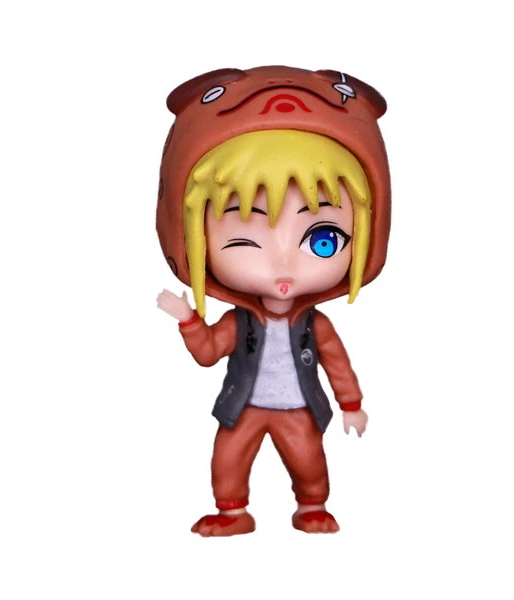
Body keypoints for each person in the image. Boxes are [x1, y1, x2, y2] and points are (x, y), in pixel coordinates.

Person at [156, 66, 391, 536]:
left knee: (309, 459)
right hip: (243, 406)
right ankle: (231, 512)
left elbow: (336, 362)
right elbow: (208, 352)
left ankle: (312, 505)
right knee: (228, 458)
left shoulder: (314, 325)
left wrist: (351, 403)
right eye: (245, 241)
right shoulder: (239, 322)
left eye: (322, 240)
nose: (284, 264)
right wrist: (188, 320)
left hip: (299, 407)